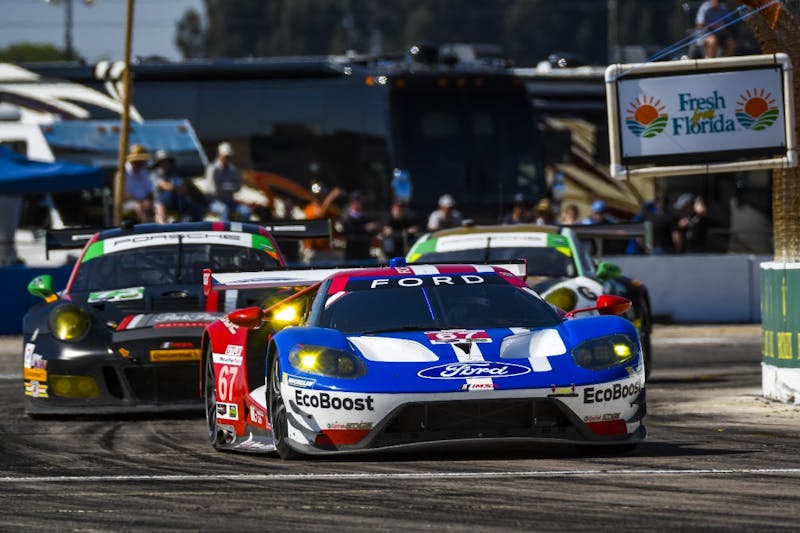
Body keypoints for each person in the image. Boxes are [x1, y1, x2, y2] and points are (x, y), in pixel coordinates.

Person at [151, 150, 207, 222]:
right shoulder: (155, 174)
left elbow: (184, 189)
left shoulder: (174, 173)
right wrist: (176, 188)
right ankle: (162, 228)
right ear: (158, 163)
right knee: (168, 196)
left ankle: (196, 227)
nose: (165, 163)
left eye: (167, 161)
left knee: (197, 207)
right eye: (162, 161)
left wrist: (177, 188)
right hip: (160, 203)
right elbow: (165, 186)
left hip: (177, 201)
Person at [205, 141, 251, 221]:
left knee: (245, 211)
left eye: (229, 157)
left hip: (230, 200)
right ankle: (225, 232)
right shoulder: (212, 169)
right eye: (226, 156)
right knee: (223, 209)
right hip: (215, 201)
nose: (227, 159)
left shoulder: (233, 169)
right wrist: (230, 186)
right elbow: (213, 190)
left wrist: (224, 186)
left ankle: (243, 232)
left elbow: (238, 187)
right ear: (219, 155)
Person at [301, 181, 341, 264]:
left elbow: (338, 214)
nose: (318, 196)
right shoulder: (309, 208)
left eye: (320, 194)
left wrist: (329, 202)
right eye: (315, 194)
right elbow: (319, 216)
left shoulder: (329, 208)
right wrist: (329, 199)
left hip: (326, 250)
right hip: (313, 250)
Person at [339, 191, 379, 262]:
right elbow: (347, 231)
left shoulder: (366, 217)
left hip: (364, 251)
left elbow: (373, 231)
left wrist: (374, 228)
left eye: (359, 201)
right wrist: (364, 228)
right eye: (355, 201)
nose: (358, 204)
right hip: (351, 251)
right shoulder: (346, 218)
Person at [122, 144, 156, 223]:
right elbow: (125, 194)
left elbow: (149, 191)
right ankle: (147, 228)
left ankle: (160, 227)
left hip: (143, 201)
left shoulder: (144, 173)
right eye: (140, 161)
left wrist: (148, 201)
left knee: (159, 205)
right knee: (139, 207)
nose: (143, 163)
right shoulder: (123, 173)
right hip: (127, 203)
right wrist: (141, 201)